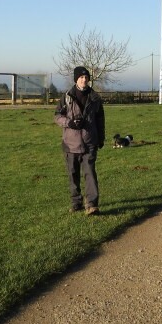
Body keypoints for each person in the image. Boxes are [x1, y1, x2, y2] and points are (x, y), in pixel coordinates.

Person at [55, 66, 105, 214]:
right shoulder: (67, 97)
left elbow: (100, 120)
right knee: (73, 175)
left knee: (90, 173)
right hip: (71, 144)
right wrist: (69, 123)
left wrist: (101, 138)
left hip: (90, 143)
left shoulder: (95, 98)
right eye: (81, 77)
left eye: (86, 77)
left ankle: (92, 205)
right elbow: (57, 116)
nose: (84, 80)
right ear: (76, 79)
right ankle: (76, 202)